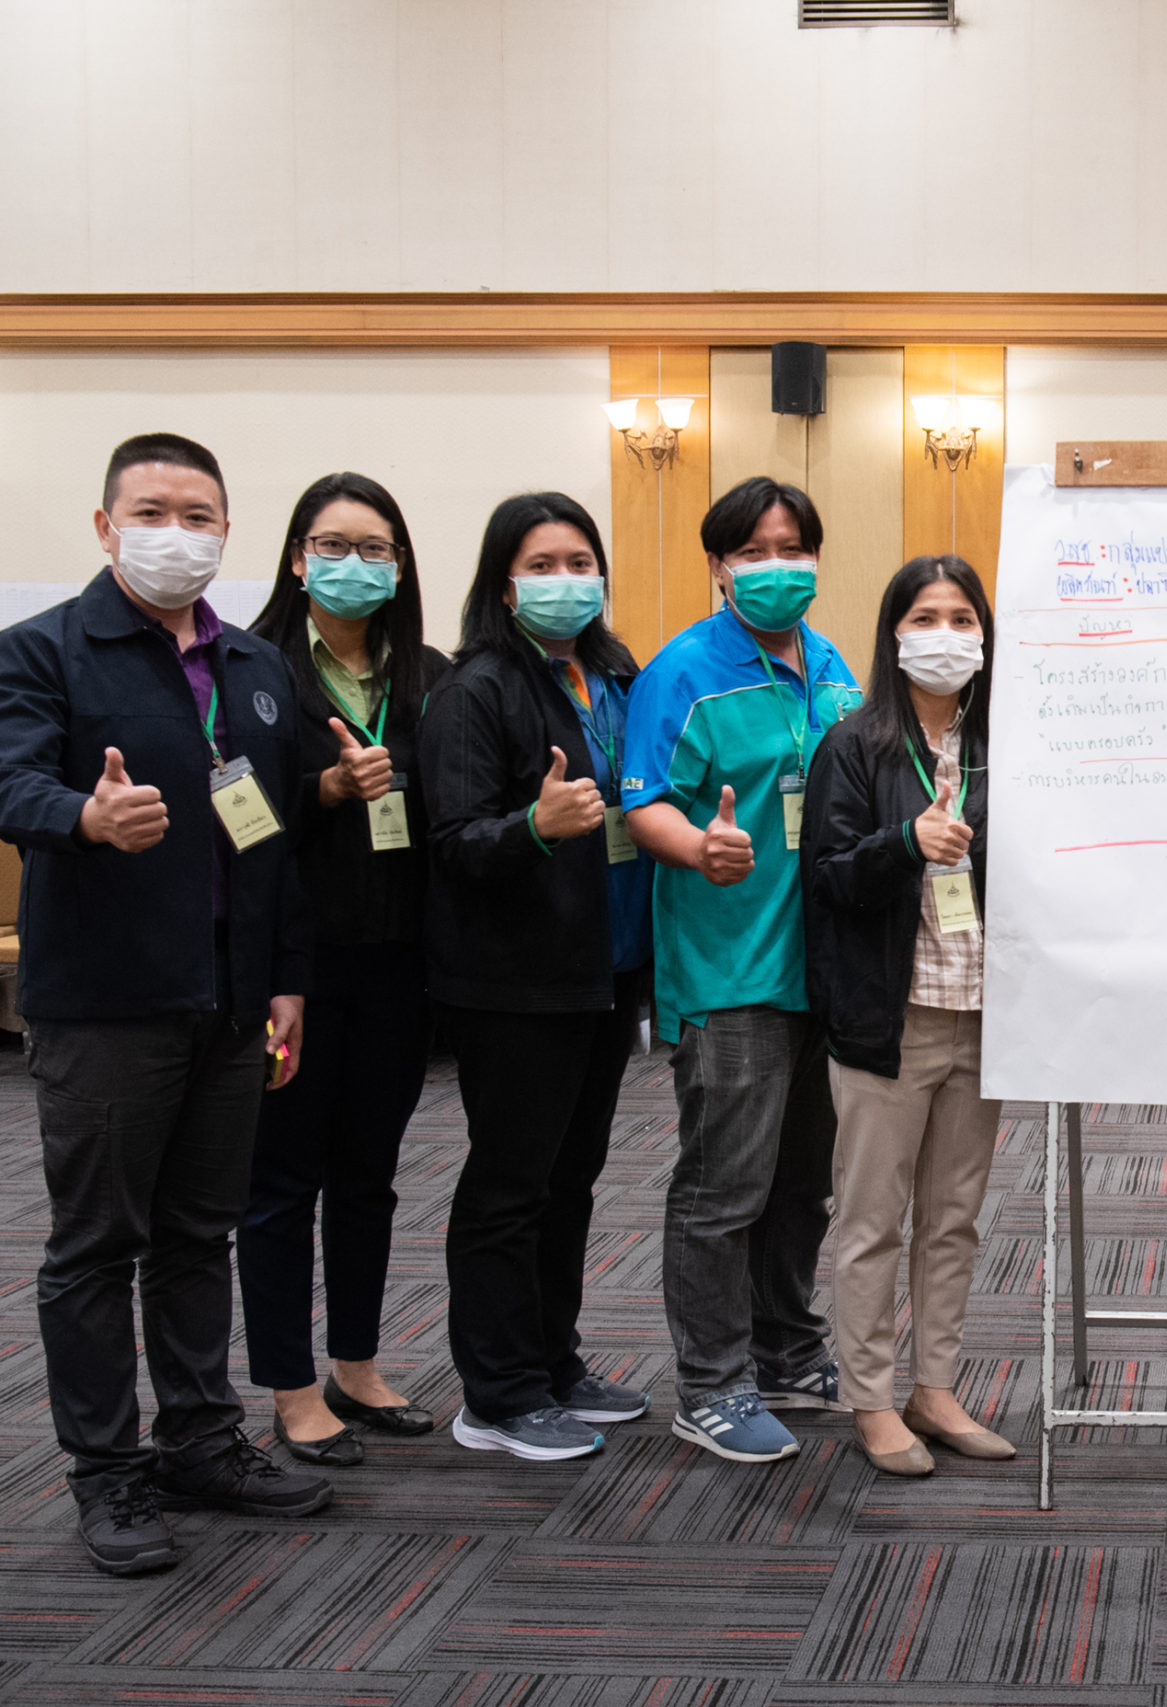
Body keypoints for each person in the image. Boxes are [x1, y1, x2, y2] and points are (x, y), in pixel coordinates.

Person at [0, 432, 327, 1576]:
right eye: (152, 512)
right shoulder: (42, 651)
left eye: (199, 515)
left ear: (226, 530)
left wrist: (284, 978)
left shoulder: (255, 665)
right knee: (96, 1246)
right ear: (104, 526)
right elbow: (1, 783)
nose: (178, 534)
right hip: (107, 1003)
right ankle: (106, 1472)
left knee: (197, 1235)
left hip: (230, 1002)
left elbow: (270, 838)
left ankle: (199, 1441)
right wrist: (84, 816)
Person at [621, 477, 860, 1462]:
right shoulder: (681, 671)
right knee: (723, 1189)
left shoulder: (832, 663)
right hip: (729, 971)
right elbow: (643, 801)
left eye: (792, 548)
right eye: (752, 551)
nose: (775, 567)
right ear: (718, 566)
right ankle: (711, 1385)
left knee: (802, 1185)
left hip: (822, 971)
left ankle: (784, 1348)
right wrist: (698, 846)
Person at [422, 491, 654, 1462]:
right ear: (504, 582)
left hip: (607, 965)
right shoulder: (475, 688)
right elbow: (451, 842)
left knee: (571, 1180)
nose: (568, 581)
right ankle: (497, 1392)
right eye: (543, 566)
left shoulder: (614, 671)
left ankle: (554, 1362)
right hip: (517, 980)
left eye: (581, 563)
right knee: (509, 1186)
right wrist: (532, 826)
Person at [236, 474, 448, 1464]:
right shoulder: (250, 667)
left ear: (399, 565)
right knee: (282, 1179)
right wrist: (321, 788)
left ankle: (356, 1365)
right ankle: (289, 1384)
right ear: (296, 557)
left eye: (375, 548)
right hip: (294, 963)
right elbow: (231, 814)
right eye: (333, 544)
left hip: (397, 959)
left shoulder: (429, 675)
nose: (354, 564)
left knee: (370, 1175)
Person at [804, 554, 1010, 1476]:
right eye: (925, 617)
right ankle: (872, 1398)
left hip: (985, 1014)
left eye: (962, 618)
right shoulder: (855, 745)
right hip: (889, 1020)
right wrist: (904, 841)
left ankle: (936, 1387)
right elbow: (828, 878)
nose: (945, 635)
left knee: (954, 1218)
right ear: (894, 633)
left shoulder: (1006, 745)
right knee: (872, 1219)